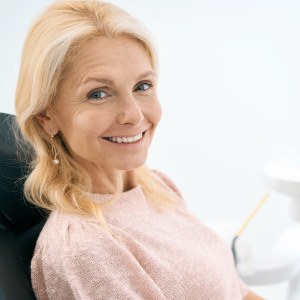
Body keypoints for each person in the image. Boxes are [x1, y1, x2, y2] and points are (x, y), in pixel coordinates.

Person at [15, 1, 263, 299]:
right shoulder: (85, 248)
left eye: (142, 86)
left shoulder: (157, 187)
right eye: (98, 93)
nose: (132, 114)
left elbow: (237, 291)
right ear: (46, 116)